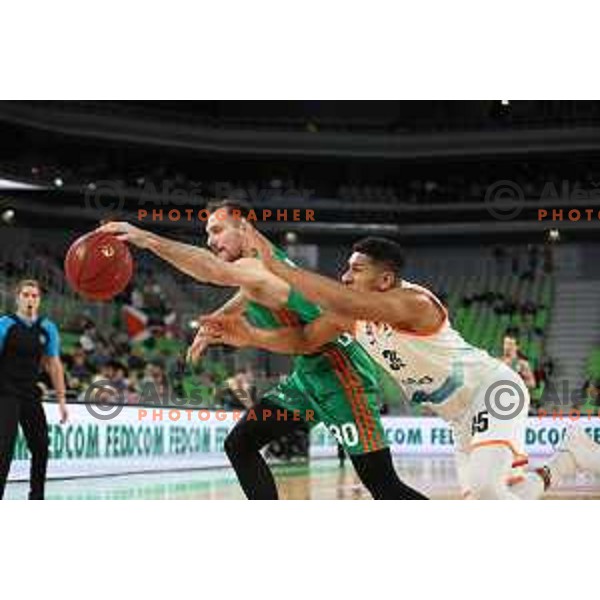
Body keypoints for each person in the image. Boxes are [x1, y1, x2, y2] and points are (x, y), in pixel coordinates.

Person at [201, 234, 600, 500]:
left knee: (484, 486)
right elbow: (304, 341)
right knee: (489, 498)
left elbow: (351, 304)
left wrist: (281, 268)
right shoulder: (353, 316)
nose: (345, 275)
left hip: (494, 389)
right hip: (459, 416)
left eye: (356, 269)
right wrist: (249, 335)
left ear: (385, 278)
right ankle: (568, 458)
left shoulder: (414, 303)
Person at [96, 202, 426, 500]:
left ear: (244, 229)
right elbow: (248, 292)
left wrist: (147, 239)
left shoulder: (260, 269)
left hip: (342, 379)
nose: (210, 241)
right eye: (207, 233)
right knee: (240, 444)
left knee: (384, 486)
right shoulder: (261, 266)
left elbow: (213, 271)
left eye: (217, 230)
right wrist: (221, 319)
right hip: (307, 378)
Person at [0, 279, 69, 500]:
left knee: (41, 448)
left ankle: (36, 499)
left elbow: (54, 364)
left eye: (35, 296)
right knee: (4, 449)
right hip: (5, 392)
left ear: (39, 300)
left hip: (30, 394)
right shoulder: (5, 324)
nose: (30, 299)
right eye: (26, 295)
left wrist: (61, 400)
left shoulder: (47, 327)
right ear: (17, 297)